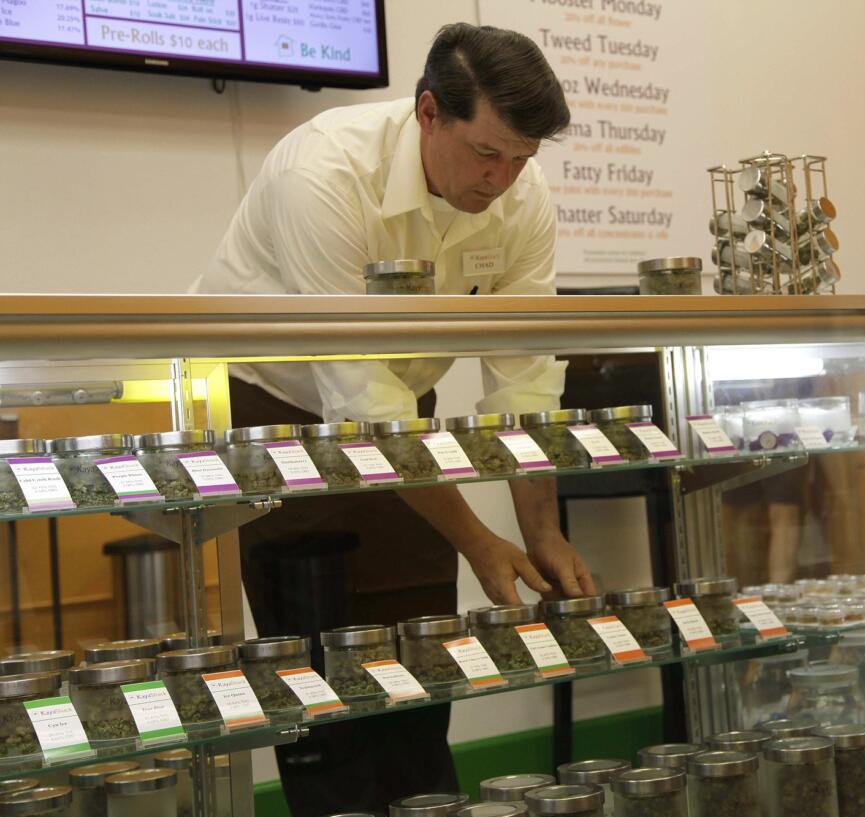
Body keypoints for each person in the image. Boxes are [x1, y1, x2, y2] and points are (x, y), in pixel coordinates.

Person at [191, 23, 595, 816]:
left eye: (522, 158)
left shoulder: (521, 194)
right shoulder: (326, 173)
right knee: (320, 678)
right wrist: (479, 540)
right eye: (487, 154)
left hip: (402, 411)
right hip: (277, 412)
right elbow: (358, 400)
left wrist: (541, 533)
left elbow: (524, 382)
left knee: (420, 658)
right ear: (429, 113)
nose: (503, 179)